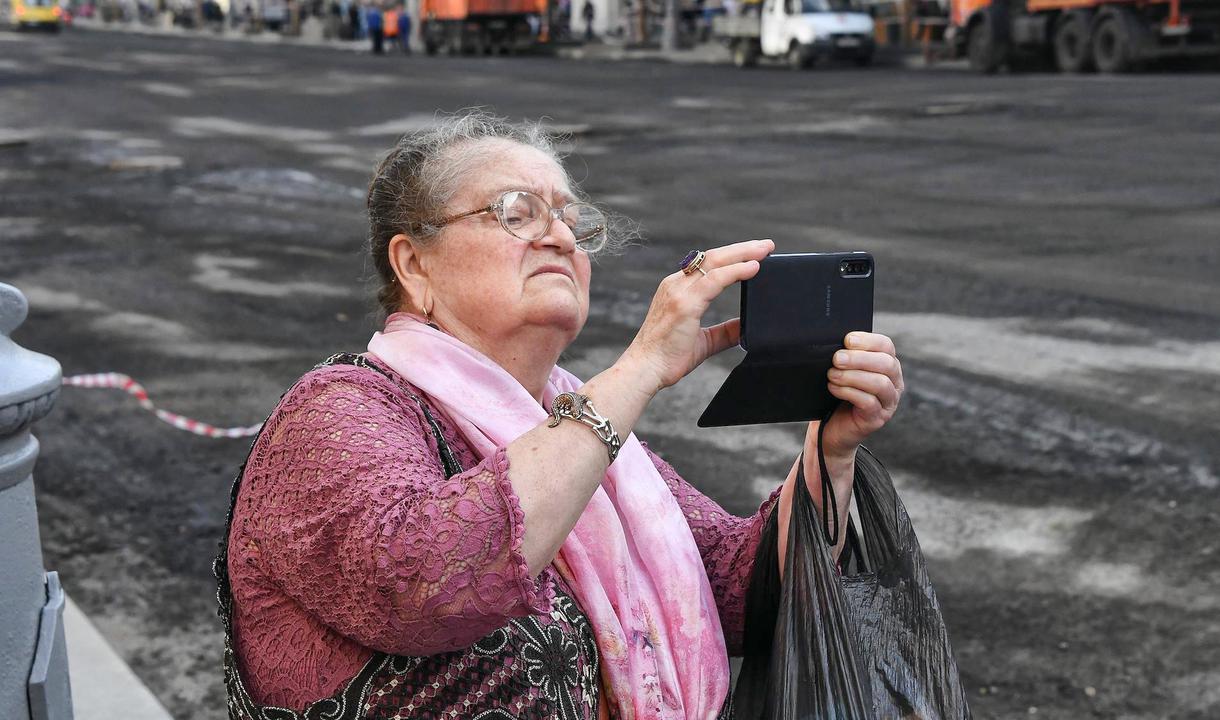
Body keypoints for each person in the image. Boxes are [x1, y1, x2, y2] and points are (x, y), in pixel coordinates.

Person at [217, 112, 905, 718]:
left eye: (572, 220)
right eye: (518, 211)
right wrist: (638, 371)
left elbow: (734, 589)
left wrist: (831, 450)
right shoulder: (339, 410)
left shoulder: (571, 423)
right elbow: (421, 581)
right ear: (414, 265)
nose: (560, 238)